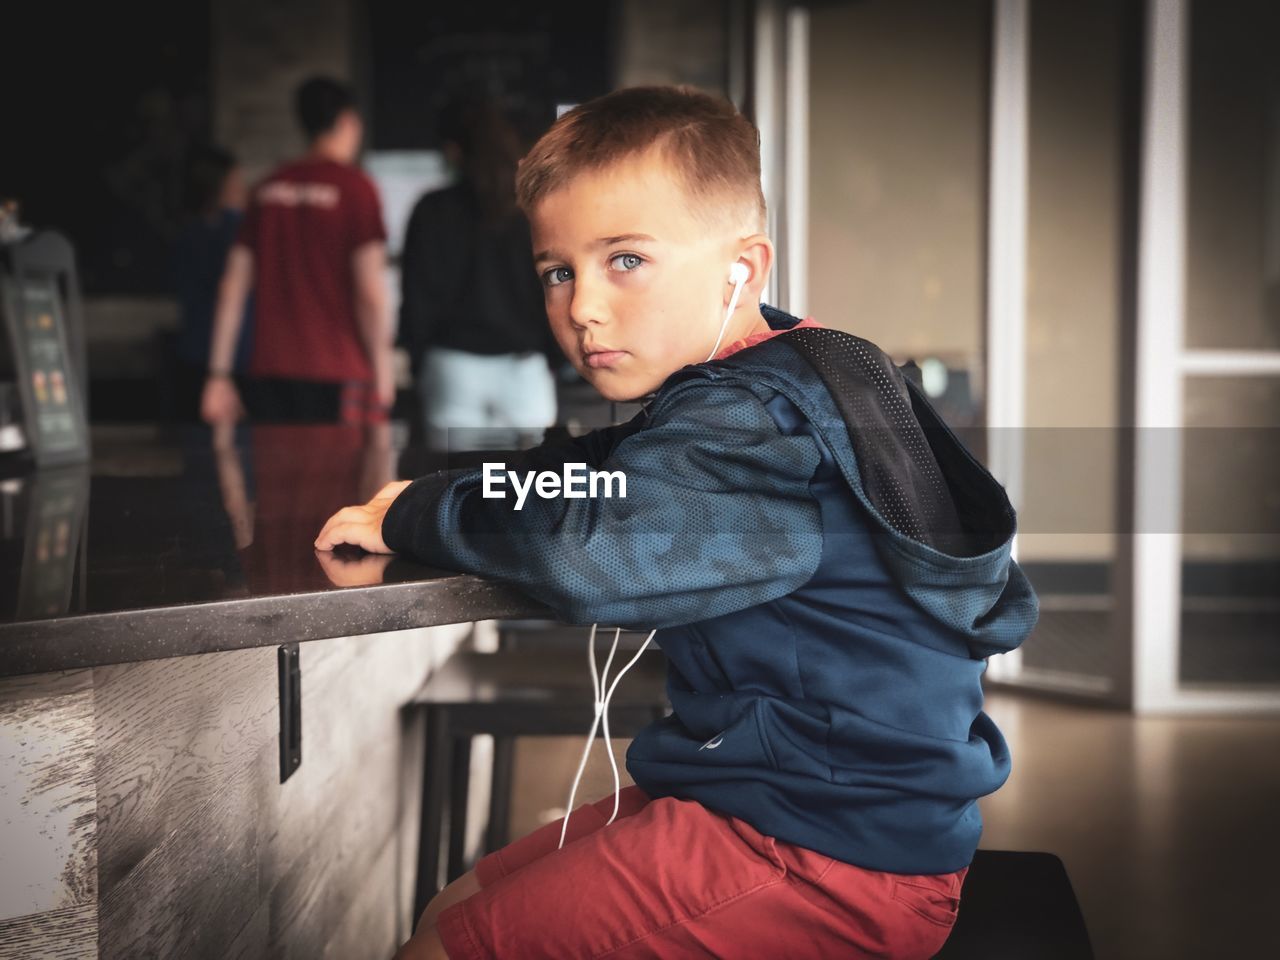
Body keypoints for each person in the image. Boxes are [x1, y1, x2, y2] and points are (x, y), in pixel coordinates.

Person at [316, 86, 1038, 960]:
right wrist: (455, 486)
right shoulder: (783, 366)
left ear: (745, 266)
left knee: (448, 947)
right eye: (558, 270)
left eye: (626, 260)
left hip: (825, 855)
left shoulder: (753, 424)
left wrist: (424, 514)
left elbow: (593, 549)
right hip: (771, 803)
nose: (583, 306)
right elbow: (591, 467)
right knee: (453, 908)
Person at [201, 76, 393, 425]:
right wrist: (383, 366)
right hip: (338, 367)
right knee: (344, 479)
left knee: (278, 478)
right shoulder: (356, 189)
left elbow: (231, 287)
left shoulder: (266, 189)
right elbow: (369, 290)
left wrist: (218, 375)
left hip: (270, 369)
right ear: (348, 121)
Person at [398, 97, 559, 447]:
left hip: (452, 362)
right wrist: (556, 356)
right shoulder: (530, 211)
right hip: (523, 365)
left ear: (454, 151)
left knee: (455, 481)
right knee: (533, 486)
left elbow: (417, 295)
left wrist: (417, 361)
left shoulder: (432, 210)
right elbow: (552, 284)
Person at [172, 145, 250, 420]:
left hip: (192, 354)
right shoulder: (236, 229)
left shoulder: (186, 231)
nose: (243, 187)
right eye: (237, 180)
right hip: (233, 361)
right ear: (221, 185)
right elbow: (229, 288)